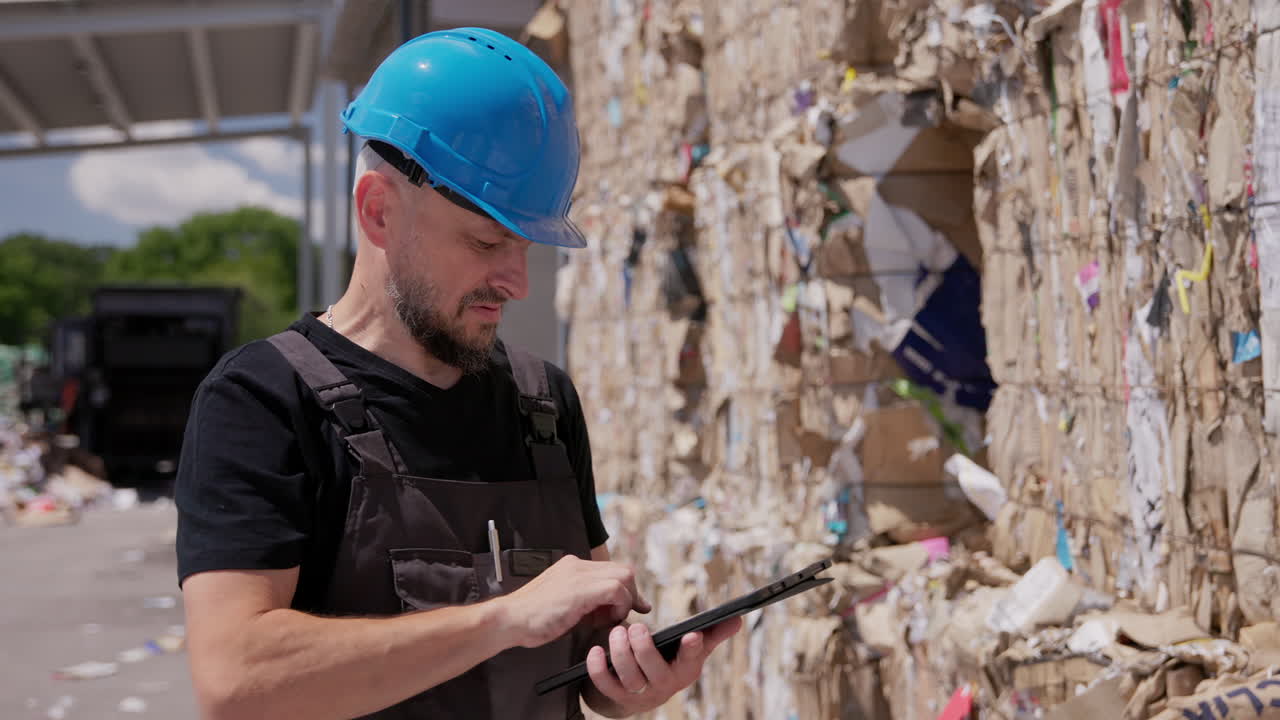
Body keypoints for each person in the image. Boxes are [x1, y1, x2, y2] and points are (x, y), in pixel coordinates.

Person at [174, 27, 740, 720]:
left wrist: (627, 683)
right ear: (379, 210)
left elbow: (581, 652)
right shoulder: (261, 402)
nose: (517, 283)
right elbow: (237, 681)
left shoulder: (543, 404)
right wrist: (501, 619)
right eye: (486, 242)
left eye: (525, 246)